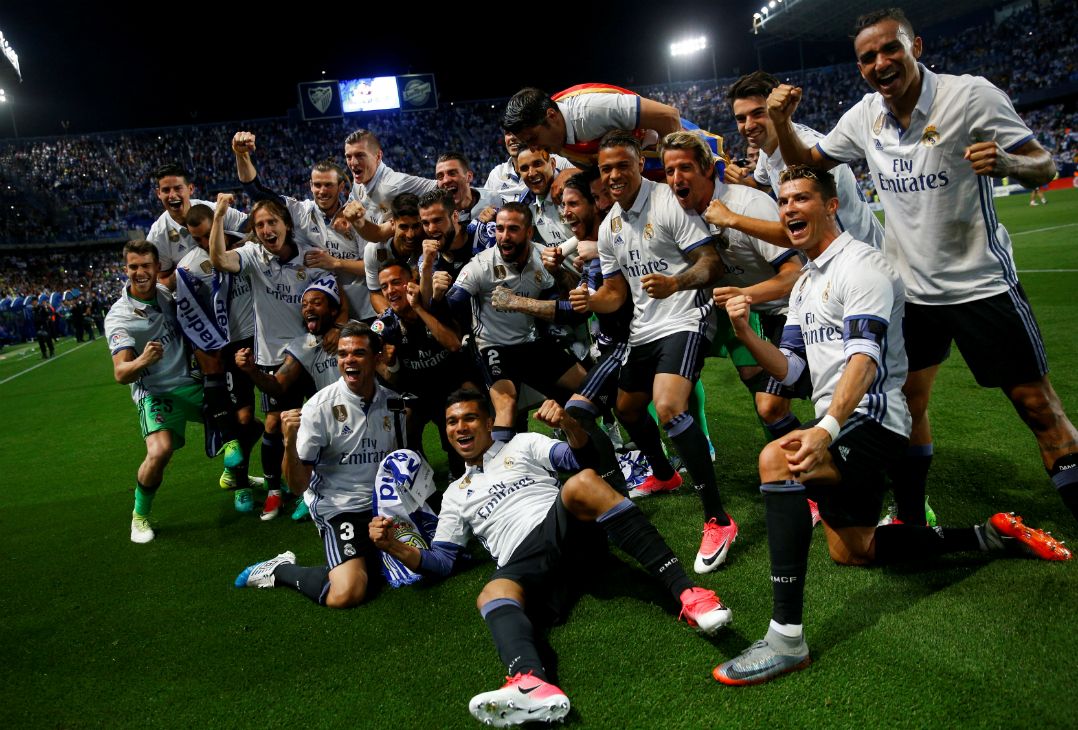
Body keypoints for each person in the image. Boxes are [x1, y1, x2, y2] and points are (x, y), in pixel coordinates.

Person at [713, 166, 1071, 687]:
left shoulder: (862, 266)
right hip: (840, 421)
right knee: (851, 550)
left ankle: (786, 639)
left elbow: (867, 358)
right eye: (784, 200)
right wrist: (746, 332)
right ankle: (987, 536)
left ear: (831, 205)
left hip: (875, 420)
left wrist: (825, 430)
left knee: (777, 459)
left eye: (802, 198)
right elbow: (791, 373)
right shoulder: (805, 284)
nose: (789, 208)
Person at [767, 7, 1078, 526]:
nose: (881, 62)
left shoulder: (969, 95)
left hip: (980, 284)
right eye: (868, 57)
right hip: (912, 295)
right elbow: (810, 164)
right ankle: (912, 515)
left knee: (1038, 407)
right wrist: (780, 122)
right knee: (907, 405)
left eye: (891, 49)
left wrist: (1007, 163)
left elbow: (1043, 164)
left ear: (917, 47)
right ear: (860, 68)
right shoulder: (865, 116)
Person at [369, 388, 733, 727]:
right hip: (525, 563)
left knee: (582, 482)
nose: (460, 427)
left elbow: (583, 458)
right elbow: (443, 562)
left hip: (564, 529)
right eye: (452, 421)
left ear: (488, 422)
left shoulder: (523, 444)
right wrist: (394, 547)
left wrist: (568, 424)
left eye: (469, 418)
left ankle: (690, 595)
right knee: (491, 594)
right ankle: (531, 682)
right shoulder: (454, 495)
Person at [569, 135, 734, 572]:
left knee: (669, 406)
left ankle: (718, 519)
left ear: (640, 164)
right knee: (627, 408)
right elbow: (616, 293)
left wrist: (676, 283)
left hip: (686, 318)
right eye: (607, 170)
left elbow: (711, 263)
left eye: (622, 166)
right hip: (644, 329)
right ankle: (664, 474)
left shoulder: (668, 203)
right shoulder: (609, 228)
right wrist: (591, 300)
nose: (614, 176)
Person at [234, 322, 403, 608]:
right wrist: (289, 442)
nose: (348, 360)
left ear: (376, 359)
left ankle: (370, 555)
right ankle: (280, 569)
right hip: (340, 508)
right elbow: (299, 485)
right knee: (348, 593)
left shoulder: (394, 403)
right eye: (342, 354)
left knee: (423, 562)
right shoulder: (318, 408)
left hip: (383, 507)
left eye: (359, 353)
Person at [661, 131, 808, 442]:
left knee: (777, 403)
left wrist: (745, 295)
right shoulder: (682, 216)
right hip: (758, 312)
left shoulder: (747, 204)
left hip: (797, 310)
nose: (676, 178)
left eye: (685, 168)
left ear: (706, 168)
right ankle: (799, 467)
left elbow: (794, 274)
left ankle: (826, 464)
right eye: (669, 171)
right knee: (760, 392)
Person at [208, 194, 334, 521]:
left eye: (271, 222)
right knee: (276, 424)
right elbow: (220, 260)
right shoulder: (252, 255)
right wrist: (219, 216)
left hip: (309, 351)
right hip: (271, 355)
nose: (266, 229)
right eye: (259, 224)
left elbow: (336, 294)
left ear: (286, 225)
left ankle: (311, 488)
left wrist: (335, 327)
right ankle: (275, 490)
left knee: (316, 419)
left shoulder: (310, 257)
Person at [446, 203, 587, 440]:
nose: (504, 236)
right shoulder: (481, 264)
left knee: (587, 384)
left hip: (530, 342)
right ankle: (503, 469)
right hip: (494, 346)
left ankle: (584, 438)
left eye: (512, 229)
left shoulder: (542, 258)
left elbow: (569, 309)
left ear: (529, 232)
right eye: (500, 229)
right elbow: (453, 301)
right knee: (507, 405)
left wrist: (560, 274)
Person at [719, 70, 884, 250]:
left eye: (758, 113)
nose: (749, 125)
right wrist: (739, 179)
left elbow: (797, 233)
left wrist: (731, 219)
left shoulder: (807, 147)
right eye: (741, 119)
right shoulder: (767, 149)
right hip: (831, 255)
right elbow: (760, 185)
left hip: (858, 255)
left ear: (776, 109)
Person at [105, 240, 201, 543]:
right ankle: (140, 516)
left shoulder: (165, 294)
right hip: (156, 392)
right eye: (133, 267)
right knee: (159, 451)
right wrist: (143, 359)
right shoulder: (119, 317)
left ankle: (237, 479)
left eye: (146, 265)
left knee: (241, 424)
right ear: (126, 269)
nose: (140, 272)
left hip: (189, 381)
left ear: (156, 267)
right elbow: (121, 373)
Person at [233, 131, 375, 322]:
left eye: (328, 185)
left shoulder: (356, 216)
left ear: (341, 187)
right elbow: (257, 192)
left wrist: (335, 263)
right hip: (325, 319)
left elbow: (373, 267)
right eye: (317, 185)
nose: (322, 191)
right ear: (310, 185)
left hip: (365, 311)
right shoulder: (299, 212)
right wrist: (241, 155)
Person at [177, 203, 260, 511]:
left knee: (275, 416)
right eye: (196, 238)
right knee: (243, 418)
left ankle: (283, 479)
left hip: (262, 336)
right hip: (227, 345)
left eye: (206, 235)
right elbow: (188, 314)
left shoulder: (247, 246)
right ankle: (240, 482)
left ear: (218, 224)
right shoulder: (189, 267)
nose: (202, 243)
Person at [373, 262, 475, 477]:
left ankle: (464, 466)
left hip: (451, 386)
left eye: (396, 283)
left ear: (410, 283)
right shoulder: (385, 325)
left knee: (466, 403)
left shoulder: (434, 305)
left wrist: (418, 308)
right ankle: (420, 476)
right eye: (384, 287)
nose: (390, 290)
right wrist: (389, 364)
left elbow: (454, 344)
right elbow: (393, 379)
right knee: (403, 419)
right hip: (418, 395)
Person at [146, 163, 246, 282]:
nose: (172, 195)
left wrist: (234, 245)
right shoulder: (157, 236)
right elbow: (161, 281)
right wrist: (184, 273)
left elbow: (252, 228)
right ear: (158, 194)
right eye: (166, 190)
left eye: (178, 188)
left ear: (190, 189)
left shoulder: (216, 210)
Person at [364, 193, 424, 313]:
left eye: (416, 226)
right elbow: (376, 293)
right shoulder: (374, 250)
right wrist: (393, 319)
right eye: (404, 227)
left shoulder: (428, 244)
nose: (410, 235)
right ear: (392, 223)